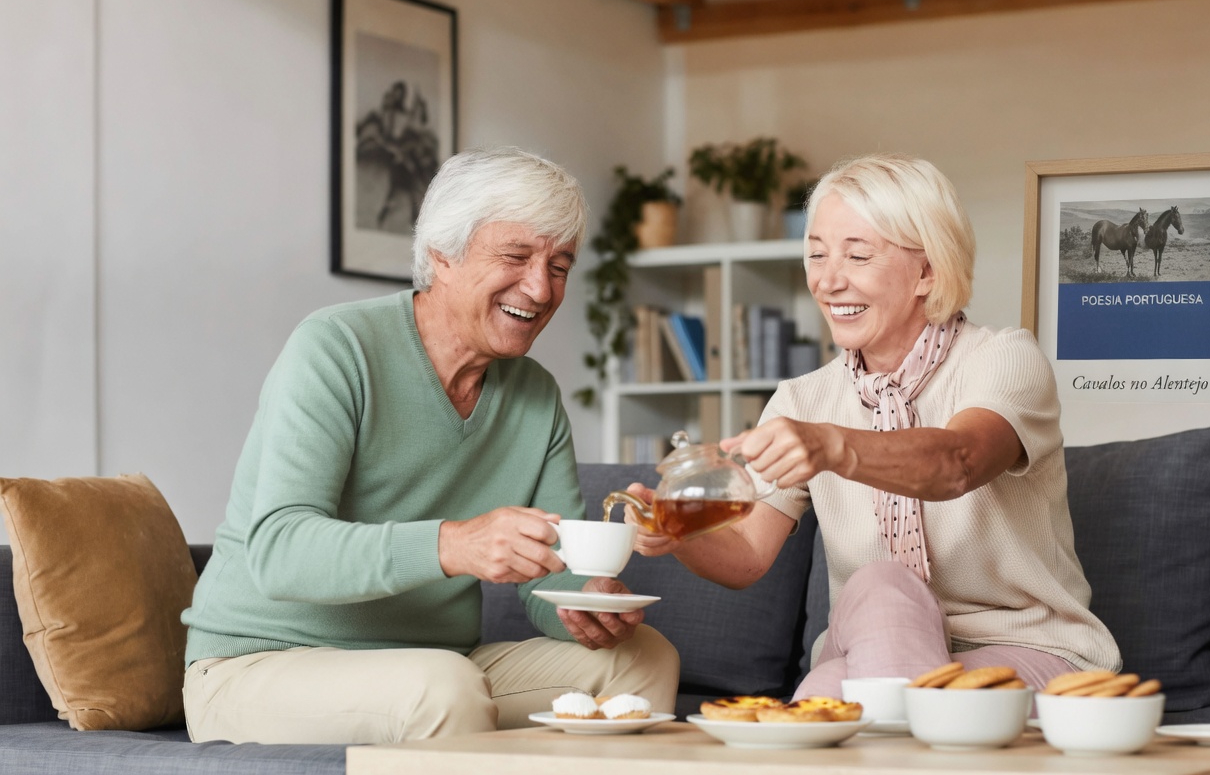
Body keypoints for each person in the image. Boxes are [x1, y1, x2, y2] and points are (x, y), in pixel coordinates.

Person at [182, 147, 679, 745]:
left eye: (560, 265)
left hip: (430, 662)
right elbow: (279, 549)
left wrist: (586, 601)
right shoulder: (336, 349)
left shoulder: (535, 396)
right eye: (516, 257)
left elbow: (549, 574)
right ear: (442, 254)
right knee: (441, 685)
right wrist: (454, 544)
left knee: (642, 658)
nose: (541, 288)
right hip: (258, 664)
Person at [628, 152, 1119, 699]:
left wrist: (832, 445)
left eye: (858, 256)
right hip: (873, 642)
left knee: (832, 691)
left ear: (927, 271)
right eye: (815, 255)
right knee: (872, 608)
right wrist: (678, 533)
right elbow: (745, 555)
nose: (828, 281)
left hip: (1026, 653)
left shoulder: (1003, 359)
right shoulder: (802, 399)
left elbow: (958, 462)